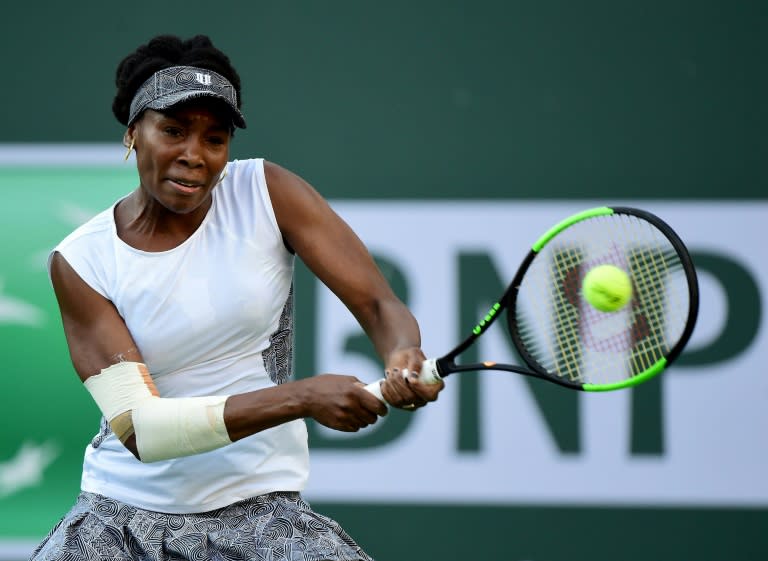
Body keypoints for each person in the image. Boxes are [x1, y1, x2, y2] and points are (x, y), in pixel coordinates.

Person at [31, 34, 442, 561]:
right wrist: (302, 397)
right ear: (134, 134)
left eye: (215, 139)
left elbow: (380, 306)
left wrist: (401, 350)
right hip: (121, 524)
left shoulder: (267, 192)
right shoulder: (82, 260)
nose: (194, 156)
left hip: (263, 511)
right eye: (173, 131)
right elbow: (142, 429)